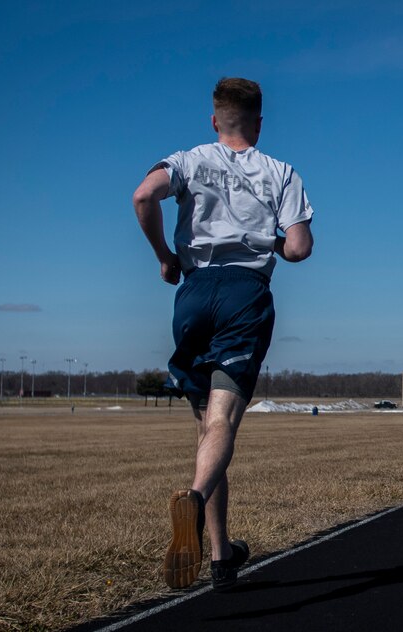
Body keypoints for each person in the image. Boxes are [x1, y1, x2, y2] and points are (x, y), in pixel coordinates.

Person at [133, 77, 314, 591]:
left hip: (193, 293)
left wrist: (164, 257)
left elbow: (144, 195)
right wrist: (271, 242)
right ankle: (192, 501)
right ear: (259, 122)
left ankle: (220, 557)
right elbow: (299, 249)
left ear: (214, 120)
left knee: (206, 431)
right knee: (224, 422)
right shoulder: (281, 172)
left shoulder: (188, 160)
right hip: (244, 294)